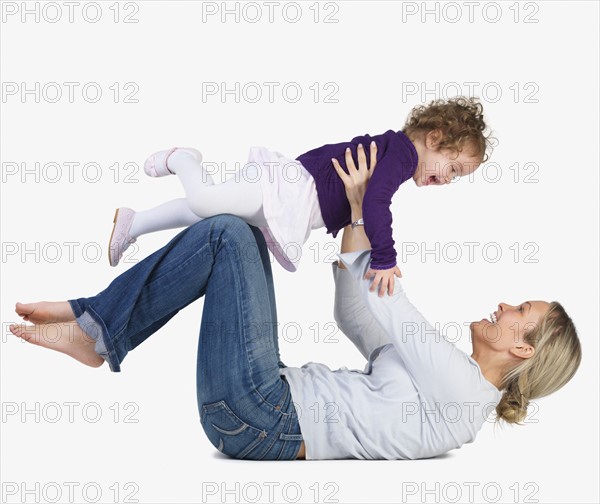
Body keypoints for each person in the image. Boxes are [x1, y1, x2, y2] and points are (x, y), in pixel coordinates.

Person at [10, 144, 580, 461]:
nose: (504, 306)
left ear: (524, 348)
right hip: (265, 399)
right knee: (239, 232)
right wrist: (354, 213)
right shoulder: (443, 379)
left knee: (228, 233)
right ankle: (97, 325)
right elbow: (358, 315)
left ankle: (98, 328)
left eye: (519, 312)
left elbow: (393, 308)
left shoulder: (460, 391)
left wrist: (368, 214)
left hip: (263, 417)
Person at [109, 97, 493, 296]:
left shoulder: (397, 155)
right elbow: (376, 203)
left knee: (206, 214)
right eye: (453, 168)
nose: (449, 180)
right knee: (206, 202)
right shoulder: (403, 154)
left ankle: (135, 222)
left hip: (289, 192)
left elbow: (364, 203)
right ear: (435, 139)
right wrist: (385, 258)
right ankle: (184, 160)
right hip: (289, 191)